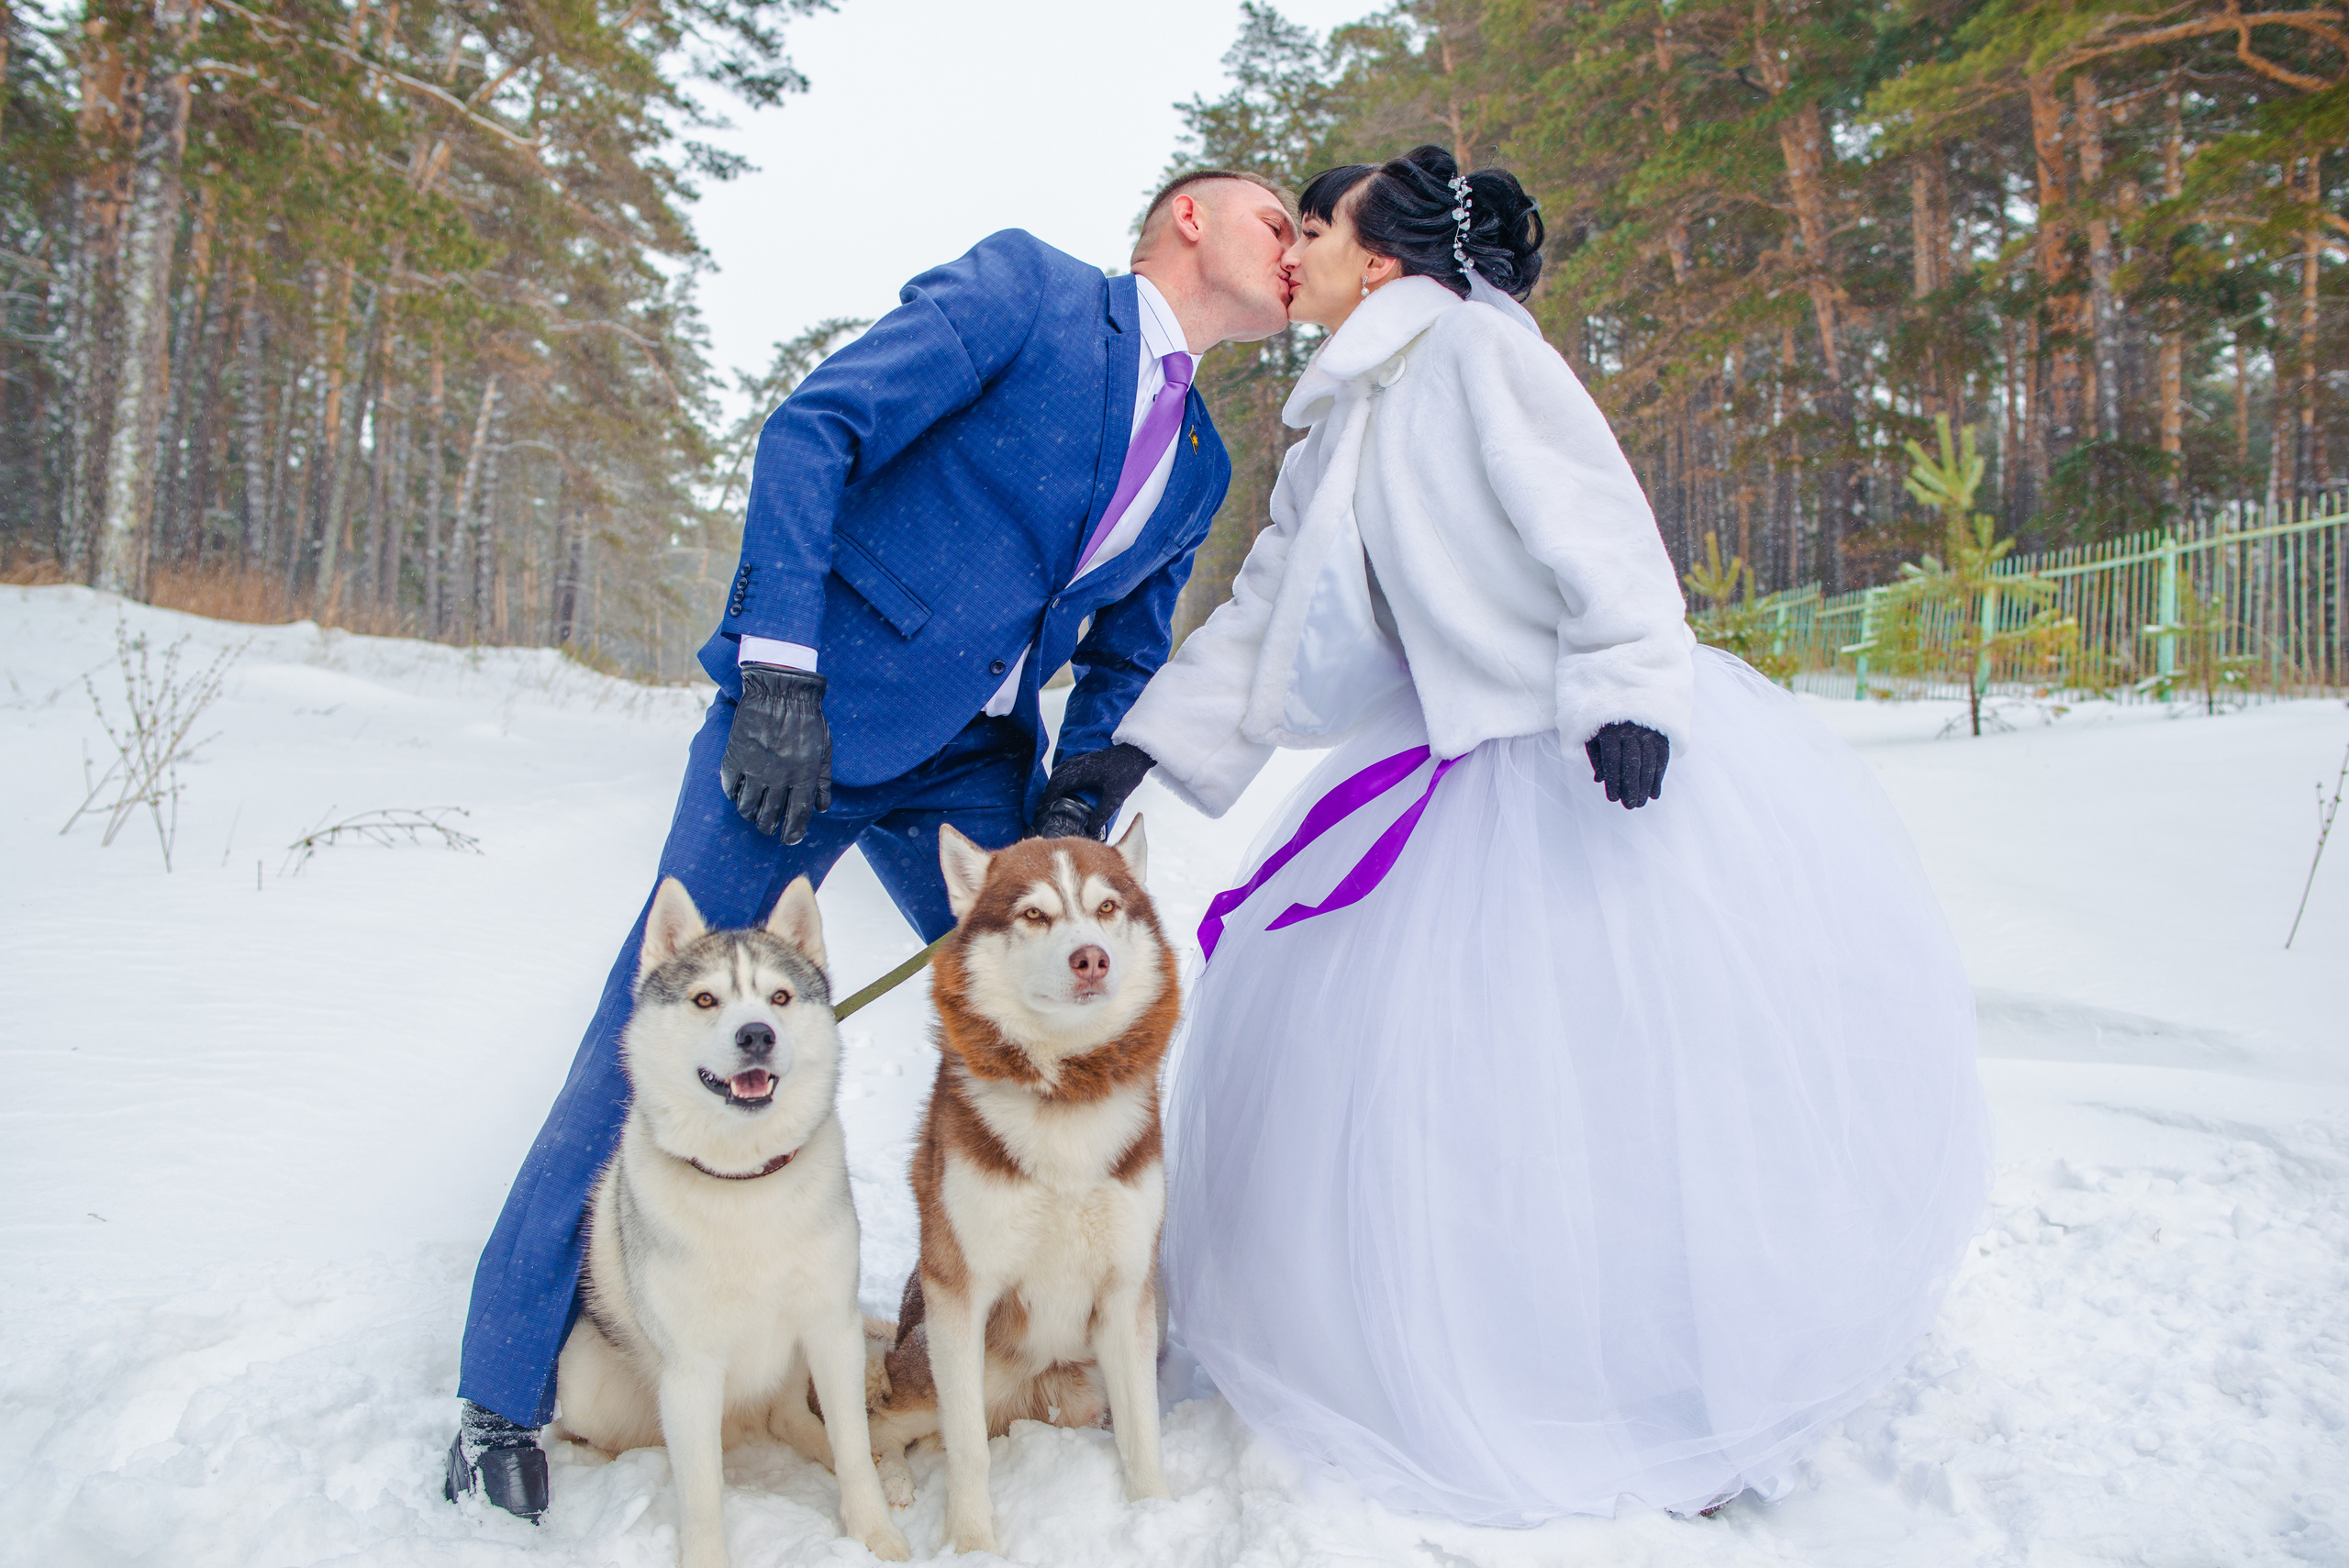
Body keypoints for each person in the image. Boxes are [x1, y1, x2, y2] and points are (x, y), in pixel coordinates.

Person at [1113, 146, 1991, 1524]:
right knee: (1441, 1103)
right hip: (1443, 763)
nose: (1294, 255)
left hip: (1573, 761)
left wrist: (1630, 686)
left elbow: (1595, 519)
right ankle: (1440, 1360)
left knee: (1613, 1088)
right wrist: (1143, 744)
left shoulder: (1474, 352)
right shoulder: (1337, 416)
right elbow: (1267, 611)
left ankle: (1667, 1384)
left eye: (1315, 229)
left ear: (1381, 258)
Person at [444, 172, 1300, 1520]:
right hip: (804, 722)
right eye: (1277, 220)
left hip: (973, 765)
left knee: (1057, 1016)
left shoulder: (1199, 460)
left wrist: (1078, 796)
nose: (1299, 247)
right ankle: (498, 1391)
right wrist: (779, 668)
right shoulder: (1030, 292)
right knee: (647, 1020)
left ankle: (1004, 1328)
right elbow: (815, 429)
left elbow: (1126, 651)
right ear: (1189, 219)